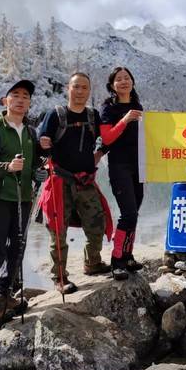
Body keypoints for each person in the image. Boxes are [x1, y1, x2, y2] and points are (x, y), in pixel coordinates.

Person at [0, 79, 45, 324]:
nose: (20, 100)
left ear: (29, 103)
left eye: (25, 96)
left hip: (23, 199)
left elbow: (34, 164)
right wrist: (7, 167)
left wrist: (38, 172)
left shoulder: (31, 132)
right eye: (15, 95)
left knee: (17, 249)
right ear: (5, 100)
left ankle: (5, 295)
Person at [38, 72, 113, 293]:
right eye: (76, 87)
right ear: (68, 89)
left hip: (85, 181)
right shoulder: (56, 114)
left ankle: (93, 262)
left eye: (84, 87)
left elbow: (108, 137)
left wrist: (100, 153)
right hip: (60, 181)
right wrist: (43, 142)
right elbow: (42, 141)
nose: (80, 91)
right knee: (58, 230)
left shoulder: (93, 116)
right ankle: (60, 277)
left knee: (97, 223)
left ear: (89, 91)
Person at [100, 66, 144, 280]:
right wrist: (125, 120)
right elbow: (107, 138)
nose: (124, 81)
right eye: (119, 79)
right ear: (112, 85)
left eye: (127, 78)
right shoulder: (108, 108)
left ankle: (128, 256)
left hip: (139, 166)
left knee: (135, 212)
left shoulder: (138, 106)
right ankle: (117, 260)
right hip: (119, 166)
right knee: (128, 213)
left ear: (132, 82)